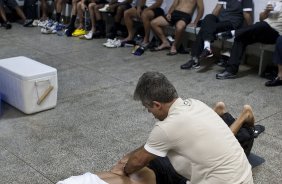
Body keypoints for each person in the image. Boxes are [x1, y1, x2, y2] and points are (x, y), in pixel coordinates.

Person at [108, 71, 253, 184]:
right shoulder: (195, 103)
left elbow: (138, 161)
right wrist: (128, 156)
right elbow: (150, 147)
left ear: (157, 105)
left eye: (148, 108)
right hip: (245, 178)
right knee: (161, 157)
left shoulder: (166, 127)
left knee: (158, 165)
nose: (148, 112)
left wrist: (123, 170)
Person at [216, 1, 282, 79]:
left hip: (276, 34)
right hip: (262, 29)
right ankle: (231, 71)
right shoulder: (273, 1)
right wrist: (266, 11)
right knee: (241, 37)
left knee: (262, 25)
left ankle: (232, 33)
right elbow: (262, 18)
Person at [180, 0, 253, 70]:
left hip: (232, 23)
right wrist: (209, 22)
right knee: (208, 17)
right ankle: (207, 47)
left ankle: (195, 60)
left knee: (205, 28)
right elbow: (216, 10)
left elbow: (247, 15)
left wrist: (250, 29)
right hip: (220, 21)